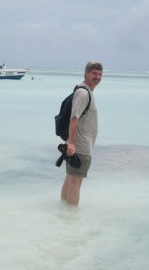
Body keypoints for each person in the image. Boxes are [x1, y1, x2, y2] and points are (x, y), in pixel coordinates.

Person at [61, 61, 103, 205]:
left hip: (77, 144)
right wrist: (72, 143)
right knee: (75, 182)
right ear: (85, 74)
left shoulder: (85, 91)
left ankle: (64, 212)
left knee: (70, 178)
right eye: (94, 73)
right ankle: (71, 219)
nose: (97, 77)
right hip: (80, 146)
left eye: (100, 74)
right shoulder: (84, 93)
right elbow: (74, 118)